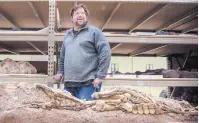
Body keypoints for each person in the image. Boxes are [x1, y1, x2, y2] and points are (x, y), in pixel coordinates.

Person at [54, 4, 111, 101]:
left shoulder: (94, 32)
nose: (80, 15)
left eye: (83, 13)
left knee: (85, 113)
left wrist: (100, 76)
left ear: (86, 16)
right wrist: (60, 72)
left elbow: (105, 53)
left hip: (88, 84)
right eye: (77, 13)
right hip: (69, 84)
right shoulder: (68, 34)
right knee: (68, 112)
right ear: (72, 18)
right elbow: (63, 56)